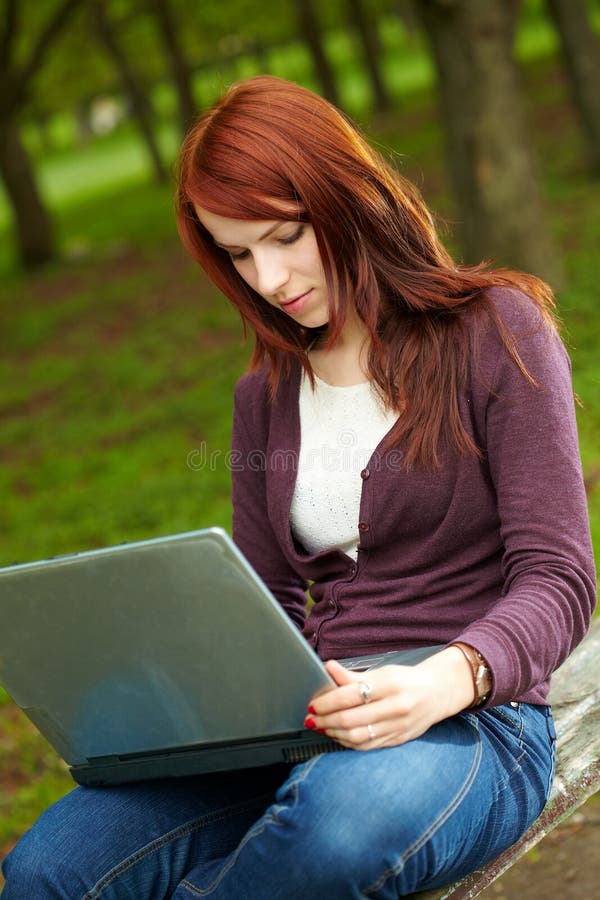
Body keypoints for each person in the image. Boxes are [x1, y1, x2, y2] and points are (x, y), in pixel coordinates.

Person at [1, 75, 595, 899]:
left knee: (333, 836)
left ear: (345, 196)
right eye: (239, 254)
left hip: (469, 718)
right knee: (45, 869)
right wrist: (192, 713)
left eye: (284, 236)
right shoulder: (267, 395)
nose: (269, 279)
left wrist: (440, 681)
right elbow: (266, 601)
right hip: (304, 719)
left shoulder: (495, 331)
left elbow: (561, 579)